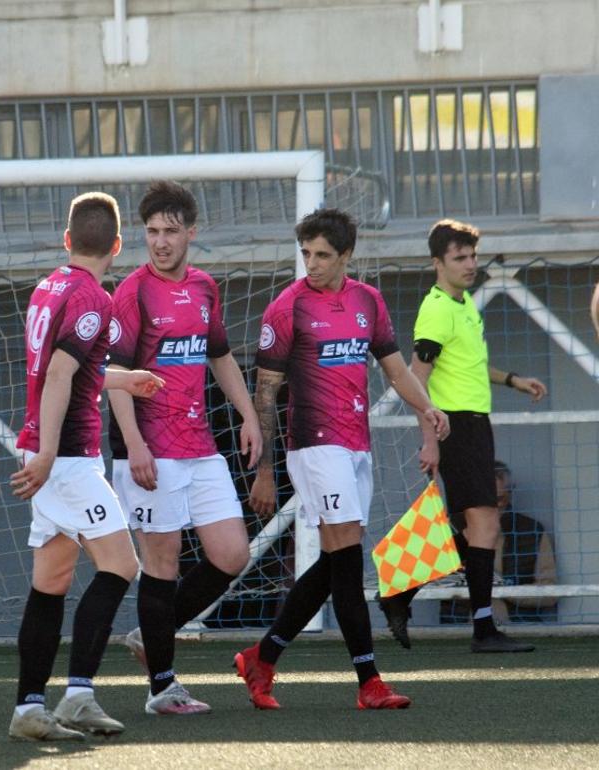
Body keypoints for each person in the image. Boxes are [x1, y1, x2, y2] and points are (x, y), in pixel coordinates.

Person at [239, 208, 449, 711]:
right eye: (306, 253)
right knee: (350, 560)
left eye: (323, 255)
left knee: (338, 562)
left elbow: (396, 371)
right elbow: (265, 396)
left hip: (356, 444)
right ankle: (369, 682)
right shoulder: (286, 309)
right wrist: (265, 470)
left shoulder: (367, 301)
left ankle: (261, 658)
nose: (311, 263)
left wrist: (428, 407)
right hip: (313, 446)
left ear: (346, 256)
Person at [7, 191, 165, 741]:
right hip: (65, 456)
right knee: (122, 566)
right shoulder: (95, 297)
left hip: (45, 445)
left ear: (68, 240)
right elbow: (57, 375)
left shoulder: (48, 286)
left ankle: (29, 709)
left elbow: (72, 372)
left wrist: (121, 379)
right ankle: (77, 695)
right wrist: (51, 454)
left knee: (50, 581)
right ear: (118, 246)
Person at [108, 181, 262, 716]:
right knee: (162, 562)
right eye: (151, 232)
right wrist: (134, 445)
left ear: (191, 233)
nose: (160, 242)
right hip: (151, 450)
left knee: (231, 554)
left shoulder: (203, 287)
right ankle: (162, 689)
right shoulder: (132, 292)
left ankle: (151, 636)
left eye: (171, 231)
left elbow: (218, 355)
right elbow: (118, 377)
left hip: (199, 446)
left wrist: (248, 414)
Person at [378, 219, 546, 653]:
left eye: (473, 256)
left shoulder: (464, 303)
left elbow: (467, 364)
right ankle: (482, 629)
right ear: (438, 263)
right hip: (454, 425)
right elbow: (416, 375)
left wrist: (512, 379)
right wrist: (431, 438)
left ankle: (399, 589)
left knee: (470, 527)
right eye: (460, 258)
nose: (471, 264)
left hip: (474, 423)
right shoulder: (436, 310)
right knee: (484, 525)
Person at [438, 461, 558, 625]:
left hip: (521, 626)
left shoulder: (530, 530)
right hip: (460, 626)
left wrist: (503, 590)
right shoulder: (451, 528)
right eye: (490, 498)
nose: (497, 504)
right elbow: (432, 582)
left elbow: (550, 592)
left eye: (502, 497)